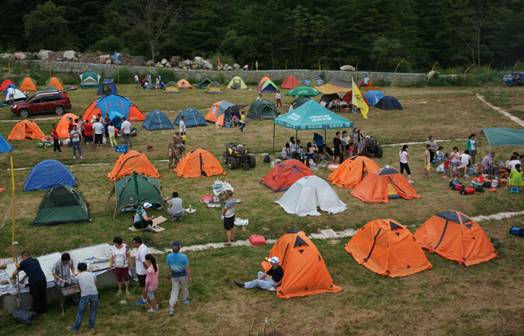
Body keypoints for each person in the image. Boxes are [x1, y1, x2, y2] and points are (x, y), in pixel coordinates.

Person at [11, 250, 47, 315]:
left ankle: (38, 312)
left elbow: (14, 274)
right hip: (42, 279)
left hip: (34, 281)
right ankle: (45, 311)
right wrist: (23, 279)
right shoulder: (35, 260)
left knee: (36, 297)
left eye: (21, 257)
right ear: (29, 255)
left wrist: (13, 279)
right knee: (43, 295)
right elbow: (32, 270)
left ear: (23, 256)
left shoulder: (23, 263)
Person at [69, 263, 98, 332]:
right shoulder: (92, 274)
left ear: (79, 269)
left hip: (85, 295)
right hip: (94, 293)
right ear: (86, 268)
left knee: (80, 312)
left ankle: (76, 328)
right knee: (93, 311)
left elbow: (79, 288)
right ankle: (91, 327)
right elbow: (94, 283)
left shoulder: (78, 277)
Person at [166, 241, 190, 316]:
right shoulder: (184, 256)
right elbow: (186, 268)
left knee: (174, 291)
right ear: (179, 248)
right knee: (184, 287)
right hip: (183, 275)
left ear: (172, 249)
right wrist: (189, 276)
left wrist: (168, 275)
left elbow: (168, 267)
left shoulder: (168, 256)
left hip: (174, 276)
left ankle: (171, 308)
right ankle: (185, 300)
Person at [133, 237, 149, 304]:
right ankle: (146, 295)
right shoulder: (143, 247)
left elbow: (144, 262)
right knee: (145, 285)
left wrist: (149, 270)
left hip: (141, 272)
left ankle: (144, 299)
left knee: (143, 286)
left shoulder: (142, 251)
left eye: (134, 243)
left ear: (138, 243)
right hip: (142, 271)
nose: (133, 244)